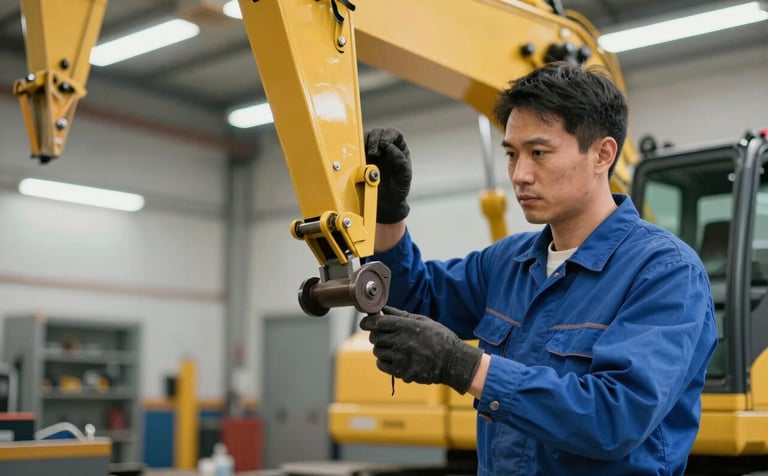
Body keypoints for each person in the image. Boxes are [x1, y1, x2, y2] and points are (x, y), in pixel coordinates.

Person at [359, 61, 718, 475]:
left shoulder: (665, 273)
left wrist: (463, 365)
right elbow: (416, 300)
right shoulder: (508, 263)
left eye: (539, 153)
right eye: (511, 154)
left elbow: (614, 419)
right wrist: (387, 216)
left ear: (603, 154)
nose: (520, 175)